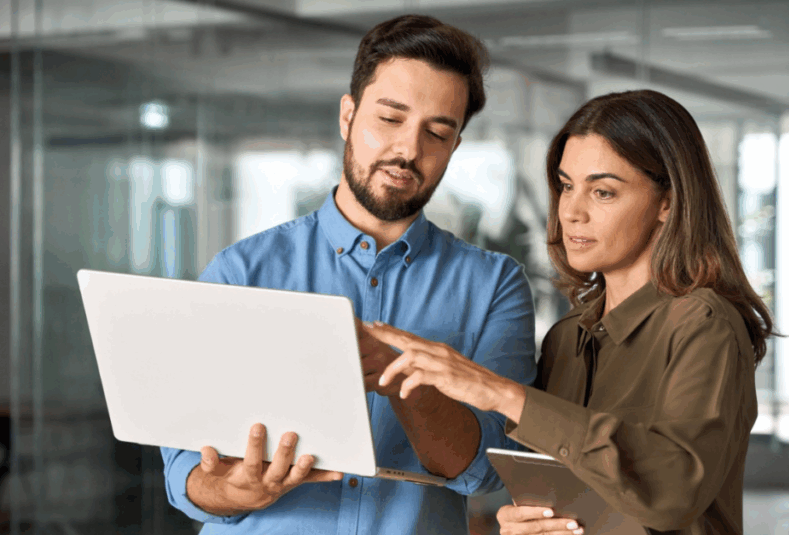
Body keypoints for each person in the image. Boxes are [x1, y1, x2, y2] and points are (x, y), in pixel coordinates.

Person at [160, 14, 538, 535]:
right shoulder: (240, 271)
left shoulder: (495, 285)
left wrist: (401, 375)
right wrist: (231, 491)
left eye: (437, 132)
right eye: (390, 118)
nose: (409, 149)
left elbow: (484, 470)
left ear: (454, 147)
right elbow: (183, 468)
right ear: (348, 115)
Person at [370, 89, 775, 535]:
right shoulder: (566, 339)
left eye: (603, 192)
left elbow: (672, 491)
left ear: (668, 202)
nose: (572, 212)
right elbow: (567, 495)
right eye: (566, 186)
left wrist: (501, 393)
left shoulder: (704, 324)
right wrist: (527, 521)